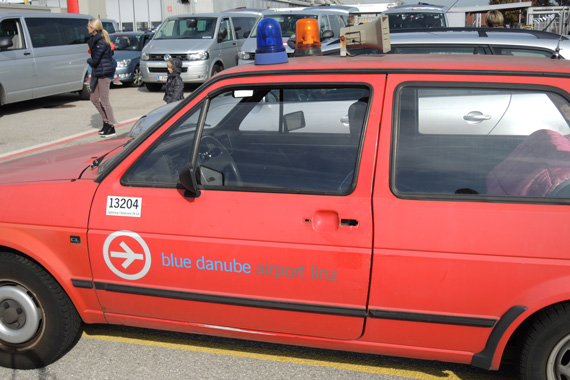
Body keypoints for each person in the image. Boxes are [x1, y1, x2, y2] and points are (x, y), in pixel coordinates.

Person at [87, 18, 118, 137]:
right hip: (98, 72)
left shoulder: (100, 42)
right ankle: (105, 122)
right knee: (94, 98)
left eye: (88, 26)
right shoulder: (96, 40)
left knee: (104, 100)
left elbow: (95, 60)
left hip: (105, 73)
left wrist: (87, 59)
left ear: (93, 28)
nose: (87, 28)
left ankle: (111, 127)